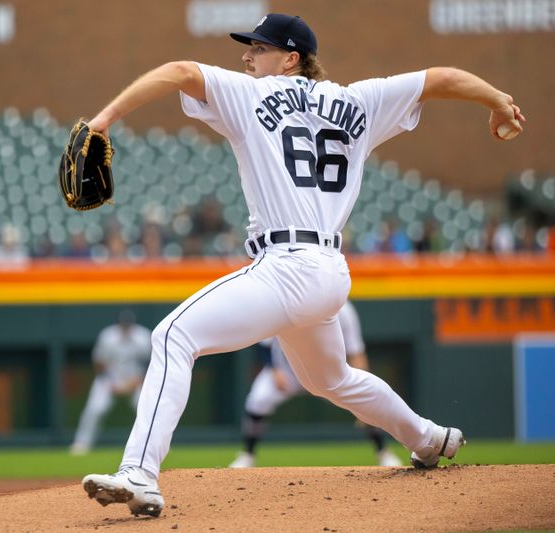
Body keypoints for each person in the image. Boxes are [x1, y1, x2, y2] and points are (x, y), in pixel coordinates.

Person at [80, 13, 525, 518]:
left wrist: (103, 121)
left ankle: (139, 474)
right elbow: (441, 78)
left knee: (172, 337)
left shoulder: (251, 94)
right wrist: (496, 100)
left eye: (259, 48)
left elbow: (180, 70)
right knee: (331, 379)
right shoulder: (360, 99)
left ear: (291, 58)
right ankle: (428, 439)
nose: (247, 56)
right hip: (329, 271)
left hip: (286, 265)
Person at [229, 301, 402, 469]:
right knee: (258, 400)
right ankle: (248, 455)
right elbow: (264, 344)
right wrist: (274, 370)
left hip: (325, 374)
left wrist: (362, 386)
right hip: (287, 371)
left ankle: (383, 452)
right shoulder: (286, 302)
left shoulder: (344, 310)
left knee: (364, 401)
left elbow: (356, 352)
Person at [70, 310, 152, 455]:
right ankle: (82, 443)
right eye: (124, 325)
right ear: (119, 324)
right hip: (109, 378)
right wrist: (110, 382)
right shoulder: (108, 336)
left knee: (147, 409)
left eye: (128, 325)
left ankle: (152, 445)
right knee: (95, 408)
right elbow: (99, 362)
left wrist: (136, 381)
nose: (126, 328)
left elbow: (150, 363)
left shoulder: (143, 336)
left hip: (136, 379)